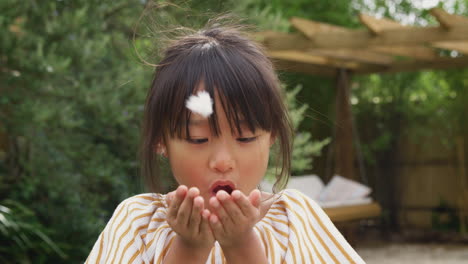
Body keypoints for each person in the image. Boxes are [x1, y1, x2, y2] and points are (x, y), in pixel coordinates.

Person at [85, 23, 365, 264]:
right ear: (161, 141)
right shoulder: (138, 223)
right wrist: (190, 248)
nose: (222, 161)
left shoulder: (295, 219)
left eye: (244, 137)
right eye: (198, 138)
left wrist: (242, 245)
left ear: (272, 136)